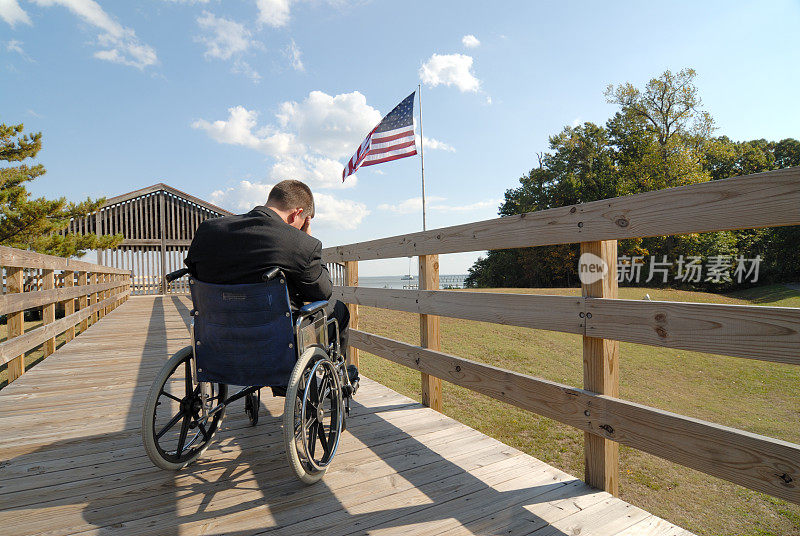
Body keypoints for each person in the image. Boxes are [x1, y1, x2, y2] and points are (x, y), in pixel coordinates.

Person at [184, 179, 350, 373]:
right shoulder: (299, 242)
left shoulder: (208, 230)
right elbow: (323, 292)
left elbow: (194, 272)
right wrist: (308, 238)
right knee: (339, 310)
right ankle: (337, 377)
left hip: (218, 337)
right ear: (297, 213)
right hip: (276, 342)